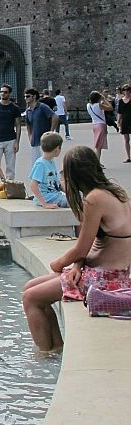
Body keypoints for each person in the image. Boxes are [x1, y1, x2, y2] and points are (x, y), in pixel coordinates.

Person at [21, 146, 131, 352]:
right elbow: (88, 247)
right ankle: (55, 347)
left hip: (105, 278)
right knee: (30, 287)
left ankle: (45, 353)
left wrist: (59, 263)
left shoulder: (94, 199)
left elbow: (81, 248)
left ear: (74, 174)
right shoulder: (115, 192)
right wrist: (76, 265)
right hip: (109, 272)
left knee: (31, 299)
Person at [28, 132, 68, 209]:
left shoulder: (50, 161)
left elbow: (56, 183)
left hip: (54, 195)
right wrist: (44, 204)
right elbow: (33, 185)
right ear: (57, 149)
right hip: (47, 198)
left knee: (77, 198)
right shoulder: (41, 164)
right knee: (74, 202)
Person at [24, 88, 58, 166]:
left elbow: (55, 117)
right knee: (36, 165)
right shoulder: (28, 110)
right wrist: (30, 135)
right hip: (34, 142)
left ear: (34, 97)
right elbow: (28, 124)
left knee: (47, 164)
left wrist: (51, 132)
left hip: (45, 142)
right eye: (25, 96)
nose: (26, 98)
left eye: (28, 96)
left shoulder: (42, 107)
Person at [86, 91, 112, 161]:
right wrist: (104, 100)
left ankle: (98, 161)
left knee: (97, 145)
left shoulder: (88, 105)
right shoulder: (99, 105)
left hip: (94, 125)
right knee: (98, 146)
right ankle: (97, 162)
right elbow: (110, 107)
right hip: (101, 125)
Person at [116, 84, 131, 163]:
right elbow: (119, 113)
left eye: (128, 90)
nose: (126, 91)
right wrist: (118, 122)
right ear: (123, 91)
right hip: (125, 121)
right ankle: (128, 157)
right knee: (126, 140)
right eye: (124, 90)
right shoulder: (121, 101)